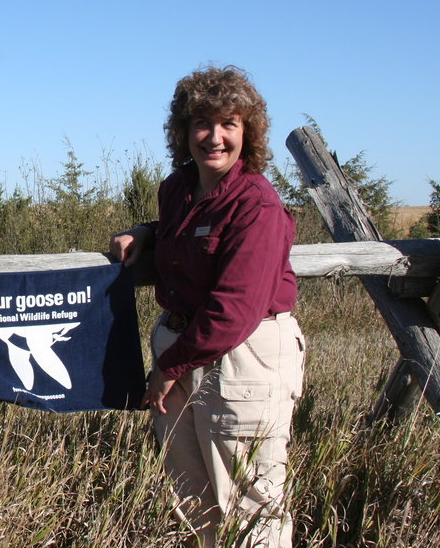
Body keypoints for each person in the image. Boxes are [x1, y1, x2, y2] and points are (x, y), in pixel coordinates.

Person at [110, 66, 304, 547]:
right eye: (201, 123)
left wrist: (168, 367)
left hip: (242, 358)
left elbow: (235, 308)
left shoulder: (257, 204)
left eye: (229, 124)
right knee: (195, 504)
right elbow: (186, 230)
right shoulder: (178, 189)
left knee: (250, 508)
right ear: (182, 131)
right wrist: (147, 232)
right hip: (183, 347)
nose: (214, 137)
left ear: (248, 132)